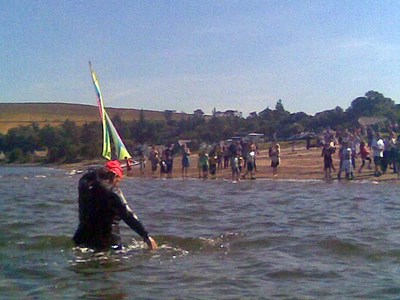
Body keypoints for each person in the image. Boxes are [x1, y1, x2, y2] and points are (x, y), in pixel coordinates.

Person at [73, 160, 158, 251]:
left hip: (81, 238)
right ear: (114, 176)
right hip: (107, 242)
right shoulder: (113, 192)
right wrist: (146, 236)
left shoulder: (84, 186)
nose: (118, 183)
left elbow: (90, 172)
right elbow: (128, 215)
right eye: (118, 180)